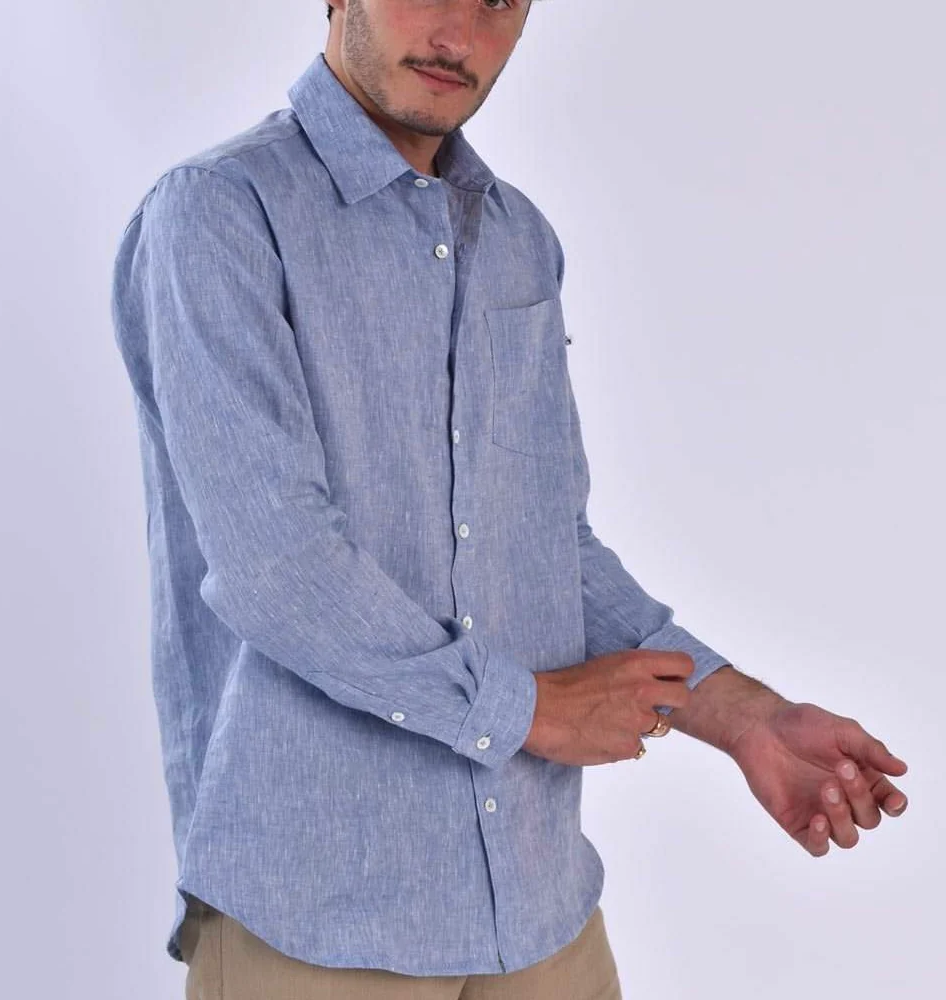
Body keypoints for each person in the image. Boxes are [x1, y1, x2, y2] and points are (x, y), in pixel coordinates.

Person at [108, 1, 911, 997]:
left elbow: (550, 547)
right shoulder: (218, 214)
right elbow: (276, 564)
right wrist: (525, 710)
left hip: (538, 912)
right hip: (320, 920)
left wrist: (744, 714)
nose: (458, 34)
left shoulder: (517, 238)